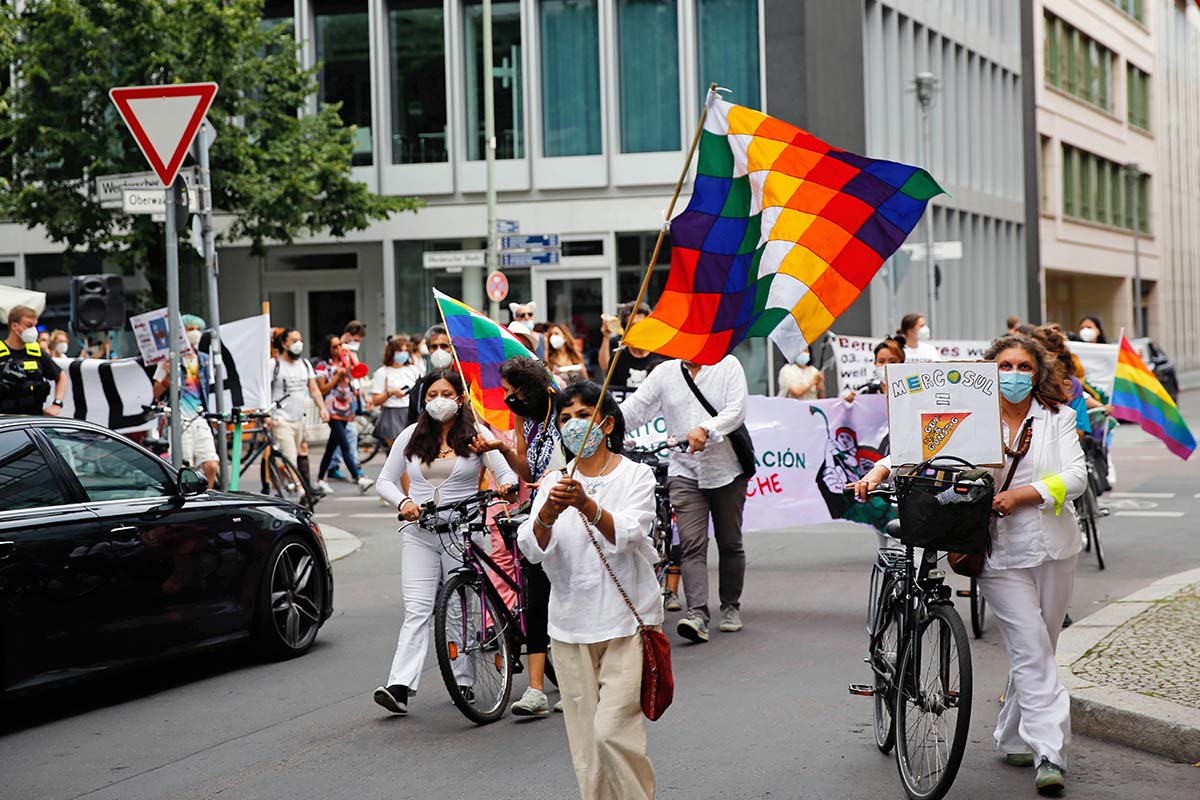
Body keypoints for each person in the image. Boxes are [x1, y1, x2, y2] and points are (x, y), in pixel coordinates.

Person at [855, 334, 1085, 795]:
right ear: (989, 371)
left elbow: (1075, 477)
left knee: (1043, 644)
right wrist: (879, 471)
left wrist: (1021, 495)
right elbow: (920, 449)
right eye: (1006, 366)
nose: (1015, 375)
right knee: (1030, 647)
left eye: (1024, 366)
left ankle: (1011, 733)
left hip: (1055, 547)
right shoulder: (971, 414)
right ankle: (1050, 753)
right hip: (996, 551)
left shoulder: (1058, 418)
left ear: (1037, 372)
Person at [517, 381, 660, 800]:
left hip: (625, 625)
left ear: (607, 422)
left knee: (613, 733)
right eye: (565, 419)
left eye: (583, 415)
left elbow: (633, 533)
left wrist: (588, 505)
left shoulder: (636, 475)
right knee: (586, 750)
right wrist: (545, 512)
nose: (573, 425)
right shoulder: (553, 483)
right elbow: (531, 547)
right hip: (569, 628)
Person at [373, 370, 517, 715]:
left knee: (460, 608)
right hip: (420, 534)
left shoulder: (477, 436)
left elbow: (508, 476)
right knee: (418, 609)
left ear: (460, 398)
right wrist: (404, 503)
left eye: (446, 393)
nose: (438, 399)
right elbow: (385, 481)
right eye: (431, 394)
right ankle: (399, 686)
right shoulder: (410, 436)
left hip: (464, 532)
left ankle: (464, 681)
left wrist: (502, 489)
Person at [621, 354, 749, 643]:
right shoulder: (664, 373)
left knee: (730, 542)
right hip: (683, 471)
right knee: (692, 544)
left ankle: (730, 605)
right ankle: (698, 615)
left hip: (727, 471)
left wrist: (706, 429)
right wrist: (603, 422)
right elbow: (635, 409)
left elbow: (736, 410)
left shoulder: (728, 365)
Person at [471, 356, 565, 717]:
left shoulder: (560, 407)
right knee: (536, 597)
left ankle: (582, 680)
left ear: (526, 387)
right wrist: (503, 449)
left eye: (510, 390)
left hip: (570, 508)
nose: (507, 397)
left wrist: (561, 479)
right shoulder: (522, 417)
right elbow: (526, 469)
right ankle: (537, 690)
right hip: (541, 514)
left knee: (569, 595)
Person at [152, 314, 220, 486]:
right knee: (185, 467)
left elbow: (206, 390)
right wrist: (168, 375)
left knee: (211, 464)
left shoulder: (204, 359)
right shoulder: (168, 360)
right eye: (190, 329)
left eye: (198, 329)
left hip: (200, 418)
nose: (195, 333)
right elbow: (155, 392)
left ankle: (208, 497)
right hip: (179, 420)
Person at [269, 328, 330, 490]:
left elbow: (314, 389)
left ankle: (292, 487)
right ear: (284, 343)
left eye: (300, 340)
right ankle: (300, 490)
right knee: (289, 457)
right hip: (280, 419)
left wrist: (322, 408)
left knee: (300, 452)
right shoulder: (274, 365)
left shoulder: (304, 364)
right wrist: (266, 416)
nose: (298, 344)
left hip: (299, 419)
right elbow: (264, 392)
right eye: (294, 340)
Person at [314, 335, 374, 494]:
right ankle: (358, 478)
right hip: (332, 410)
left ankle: (320, 480)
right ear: (328, 349)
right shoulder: (322, 366)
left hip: (346, 408)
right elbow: (323, 389)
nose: (339, 348)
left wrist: (349, 369)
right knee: (345, 444)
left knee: (331, 447)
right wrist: (336, 377)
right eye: (335, 346)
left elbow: (355, 380)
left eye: (340, 345)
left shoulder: (345, 362)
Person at [0, 305, 67, 416]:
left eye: (35, 325)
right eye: (28, 325)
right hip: (6, 424)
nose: (33, 330)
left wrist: (57, 404)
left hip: (33, 420)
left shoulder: (36, 352)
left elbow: (61, 377)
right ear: (14, 326)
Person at [327, 320, 370, 481]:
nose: (357, 344)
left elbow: (357, 376)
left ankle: (332, 466)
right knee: (349, 434)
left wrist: (363, 394)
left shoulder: (350, 352)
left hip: (349, 397)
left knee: (340, 436)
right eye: (356, 340)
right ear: (348, 336)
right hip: (339, 400)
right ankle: (356, 470)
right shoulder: (339, 353)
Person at [598, 303, 666, 392]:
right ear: (625, 330)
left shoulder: (663, 356)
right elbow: (611, 393)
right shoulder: (617, 359)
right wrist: (606, 337)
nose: (639, 330)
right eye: (633, 326)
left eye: (642, 325)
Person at [370, 336, 420, 447]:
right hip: (391, 414)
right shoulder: (382, 372)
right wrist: (391, 393)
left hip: (411, 412)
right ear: (392, 352)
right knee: (397, 449)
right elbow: (375, 400)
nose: (403, 354)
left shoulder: (413, 370)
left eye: (406, 351)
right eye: (400, 351)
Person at [408, 324, 455, 420]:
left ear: (452, 349)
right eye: (434, 347)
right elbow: (413, 419)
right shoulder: (421, 386)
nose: (439, 351)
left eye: (444, 346)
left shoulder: (465, 383)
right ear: (429, 350)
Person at [843, 337, 906, 403]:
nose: (886, 365)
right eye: (881, 361)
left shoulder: (911, 391)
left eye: (892, 362)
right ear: (875, 363)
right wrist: (850, 402)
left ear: (902, 363)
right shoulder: (866, 391)